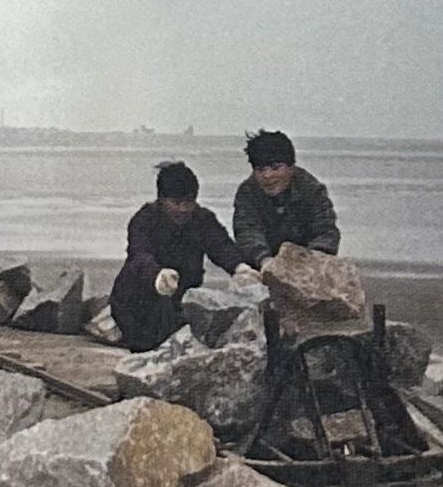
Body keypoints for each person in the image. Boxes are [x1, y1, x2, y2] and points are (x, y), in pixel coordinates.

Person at [106, 162, 260, 352]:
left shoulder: (202, 219)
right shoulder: (145, 220)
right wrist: (157, 275)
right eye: (176, 203)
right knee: (148, 342)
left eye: (188, 202)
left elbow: (221, 246)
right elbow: (140, 254)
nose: (182, 209)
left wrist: (240, 267)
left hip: (180, 300)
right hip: (136, 303)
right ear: (162, 199)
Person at [233, 130, 340, 269]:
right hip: (262, 264)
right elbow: (247, 233)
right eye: (260, 169)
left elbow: (326, 231)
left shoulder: (311, 190)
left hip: (309, 263)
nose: (267, 175)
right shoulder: (247, 192)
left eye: (275, 167)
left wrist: (311, 261)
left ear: (291, 167)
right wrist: (264, 260)